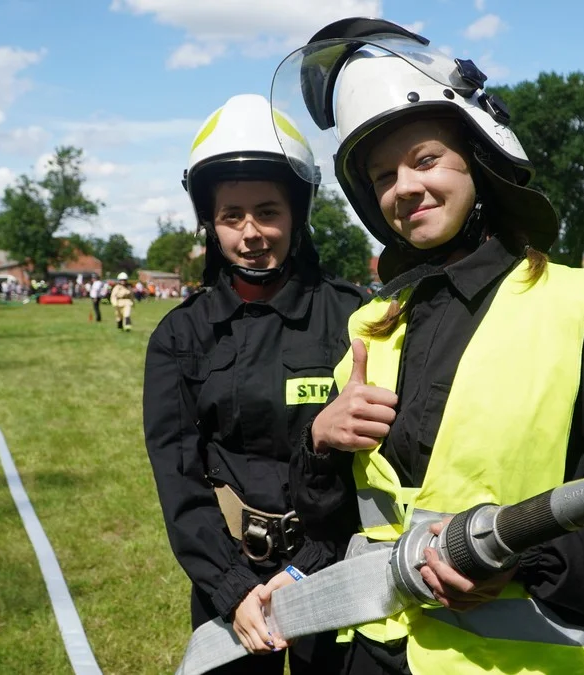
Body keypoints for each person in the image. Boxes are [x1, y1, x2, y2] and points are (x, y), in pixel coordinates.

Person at [271, 19, 584, 675]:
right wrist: (320, 444)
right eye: (384, 175)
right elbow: (340, 519)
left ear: (478, 159)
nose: (405, 187)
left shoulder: (582, 308)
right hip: (363, 655)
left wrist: (522, 563)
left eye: (425, 160)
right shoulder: (374, 324)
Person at [142, 94, 367, 674]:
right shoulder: (180, 337)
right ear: (210, 223)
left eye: (267, 211)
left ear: (296, 213)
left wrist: (309, 565)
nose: (251, 233)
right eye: (231, 216)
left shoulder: (352, 317)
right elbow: (179, 479)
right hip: (231, 587)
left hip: (335, 570)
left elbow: (372, 470)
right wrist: (232, 585)